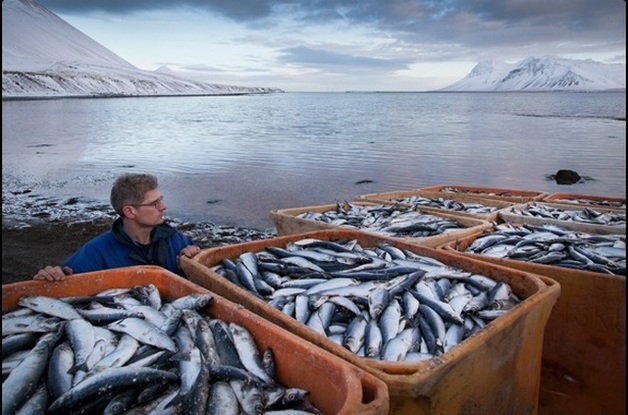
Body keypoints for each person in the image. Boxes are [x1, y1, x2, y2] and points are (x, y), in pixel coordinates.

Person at [33, 173, 200, 281]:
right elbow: (63, 280)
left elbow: (202, 278)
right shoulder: (96, 253)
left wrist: (194, 261)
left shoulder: (176, 240)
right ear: (130, 211)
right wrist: (52, 276)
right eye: (155, 203)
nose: (163, 206)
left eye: (161, 199)